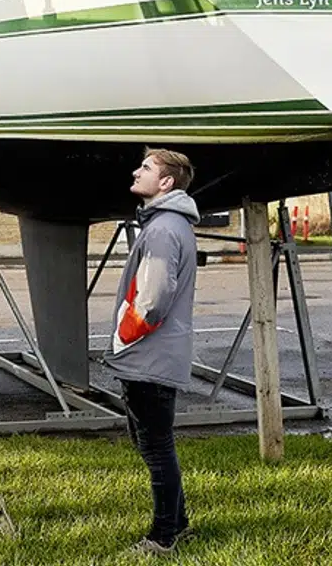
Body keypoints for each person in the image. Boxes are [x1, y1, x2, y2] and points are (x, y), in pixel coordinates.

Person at [106, 148, 200, 555]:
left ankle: (163, 537)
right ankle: (178, 525)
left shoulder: (162, 229)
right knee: (156, 445)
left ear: (166, 183)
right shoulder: (170, 224)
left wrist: (125, 336)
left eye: (145, 168)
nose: (135, 171)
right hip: (155, 355)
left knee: (157, 449)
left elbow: (154, 299)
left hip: (149, 357)